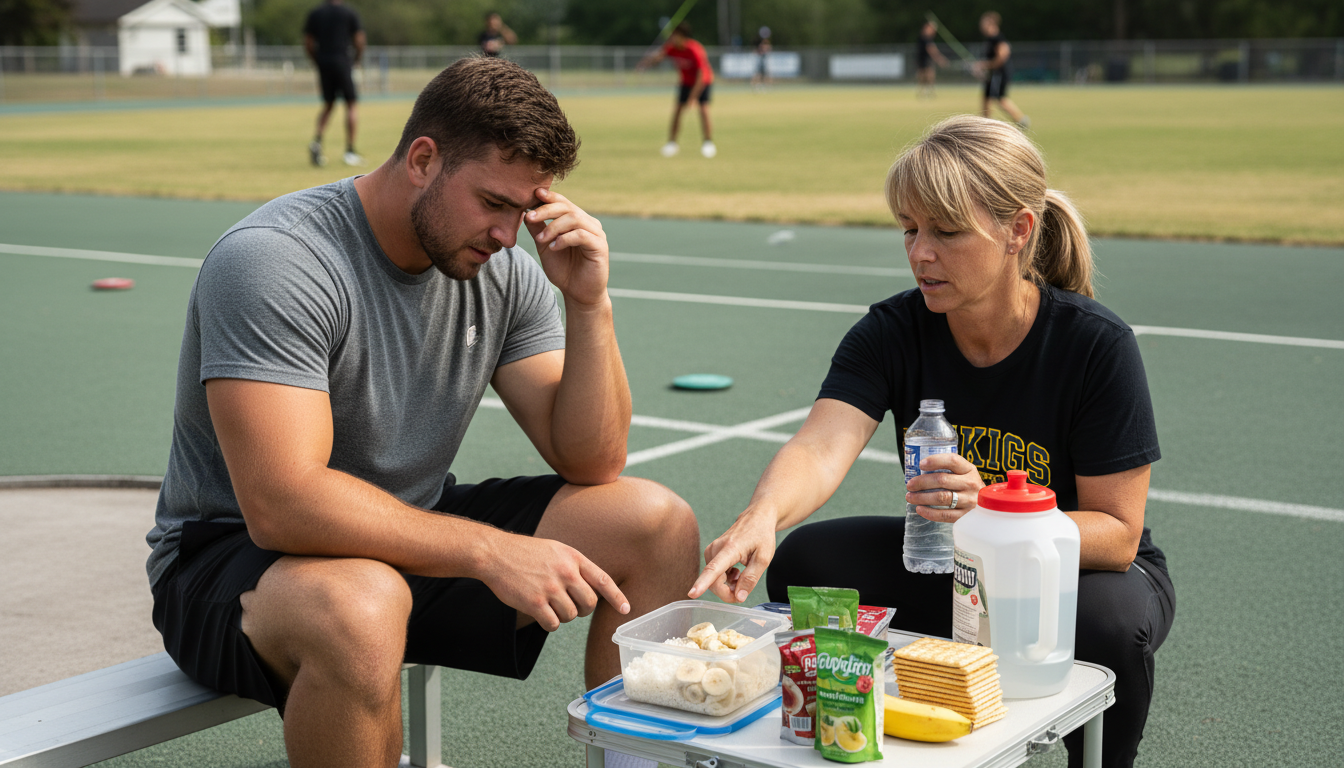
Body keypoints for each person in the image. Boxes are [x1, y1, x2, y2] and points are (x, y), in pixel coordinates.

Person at [145, 57, 701, 767]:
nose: (509, 233)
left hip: (405, 539)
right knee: (362, 604)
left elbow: (592, 460)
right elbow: (282, 504)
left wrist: (589, 304)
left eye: (525, 210)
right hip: (234, 561)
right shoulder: (277, 260)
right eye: (493, 202)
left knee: (653, 522)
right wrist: (489, 551)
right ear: (422, 158)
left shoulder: (502, 270)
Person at [689, 115, 1175, 768]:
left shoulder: (1094, 345)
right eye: (910, 229)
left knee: (1111, 620)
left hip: (1066, 575)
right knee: (809, 561)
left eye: (946, 232)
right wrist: (761, 516)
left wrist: (999, 515)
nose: (920, 252)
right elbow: (821, 445)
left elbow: (1118, 531)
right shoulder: (892, 330)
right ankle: (852, 737)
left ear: (1017, 231)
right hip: (947, 561)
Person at [637, 22, 716, 159]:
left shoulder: (694, 49)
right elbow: (658, 59)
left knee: (703, 110)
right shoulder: (671, 48)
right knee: (678, 111)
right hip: (685, 82)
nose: (672, 37)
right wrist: (645, 63)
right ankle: (672, 144)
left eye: (674, 34)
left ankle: (708, 143)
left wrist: (692, 98)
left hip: (702, 82)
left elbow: (701, 75)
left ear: (682, 35)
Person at [303, 0, 366, 167]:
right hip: (343, 62)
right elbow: (359, 39)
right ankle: (350, 150)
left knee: (328, 104)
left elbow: (308, 42)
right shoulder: (349, 13)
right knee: (351, 104)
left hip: (324, 62)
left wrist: (318, 61)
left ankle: (317, 140)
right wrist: (356, 60)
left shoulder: (315, 14)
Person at [972, 11, 1029, 128]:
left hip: (999, 74)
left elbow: (1002, 56)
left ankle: (1021, 120)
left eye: (983, 23)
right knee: (986, 98)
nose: (981, 26)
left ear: (991, 23)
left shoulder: (998, 38)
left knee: (1000, 98)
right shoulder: (989, 39)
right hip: (992, 74)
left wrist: (985, 65)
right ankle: (985, 125)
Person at [916, 20, 950, 99]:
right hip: (923, 59)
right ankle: (923, 92)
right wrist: (940, 59)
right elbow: (931, 50)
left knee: (929, 75)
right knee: (924, 76)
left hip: (926, 59)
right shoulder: (925, 38)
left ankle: (928, 92)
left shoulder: (927, 38)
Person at [751, 26, 773, 91]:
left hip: (764, 61)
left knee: (765, 74)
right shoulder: (758, 44)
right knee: (758, 74)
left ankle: (766, 87)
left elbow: (769, 49)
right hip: (759, 61)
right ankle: (755, 86)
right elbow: (756, 51)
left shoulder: (766, 44)